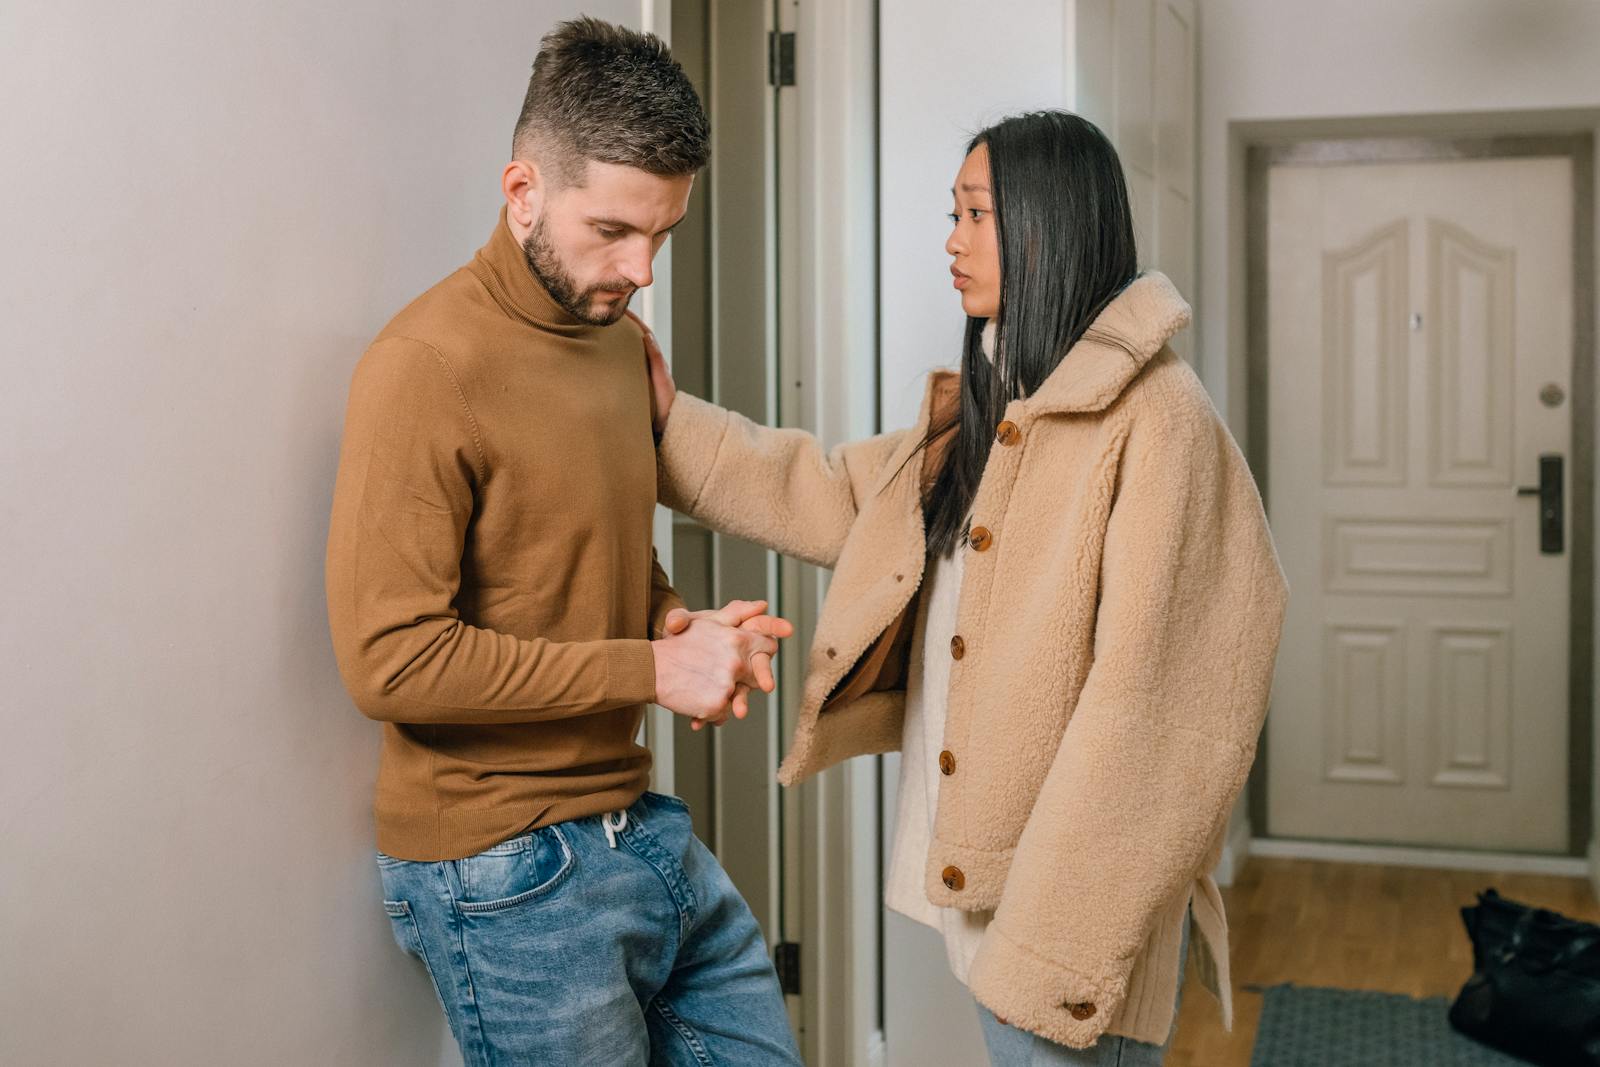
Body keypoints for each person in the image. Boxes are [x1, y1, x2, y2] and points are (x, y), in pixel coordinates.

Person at [642, 110, 1288, 1065]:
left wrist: (1049, 942)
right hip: (995, 889)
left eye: (975, 213)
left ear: (1048, 223)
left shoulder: (1160, 425)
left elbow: (1162, 720)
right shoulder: (1003, 402)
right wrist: (664, 419)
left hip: (1067, 916)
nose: (951, 239)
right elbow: (831, 490)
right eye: (954, 212)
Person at [324, 17, 802, 1066]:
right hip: (505, 871)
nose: (640, 270)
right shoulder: (424, 366)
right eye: (612, 231)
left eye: (662, 235)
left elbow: (596, 551)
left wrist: (675, 622)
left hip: (639, 828)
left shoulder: (614, 340)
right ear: (523, 189)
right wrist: (650, 665)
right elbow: (389, 659)